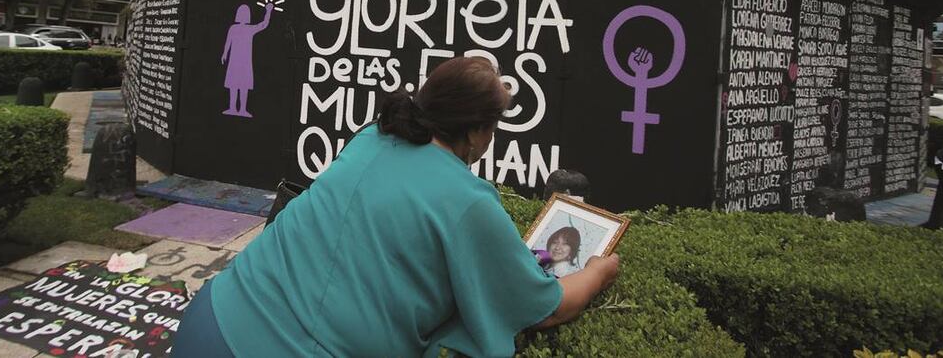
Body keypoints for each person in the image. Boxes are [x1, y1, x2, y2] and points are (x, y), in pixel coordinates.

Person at [173, 56, 620, 357]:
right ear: (479, 133)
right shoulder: (469, 201)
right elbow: (549, 307)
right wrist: (599, 270)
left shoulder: (372, 136)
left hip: (209, 317)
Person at [220, 1, 273, 117]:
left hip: (243, 61)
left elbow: (264, 25)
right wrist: (224, 53)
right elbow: (228, 42)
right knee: (235, 85)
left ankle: (241, 109)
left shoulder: (245, 29)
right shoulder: (236, 28)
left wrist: (268, 11)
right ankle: (233, 108)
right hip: (237, 61)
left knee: (241, 85)